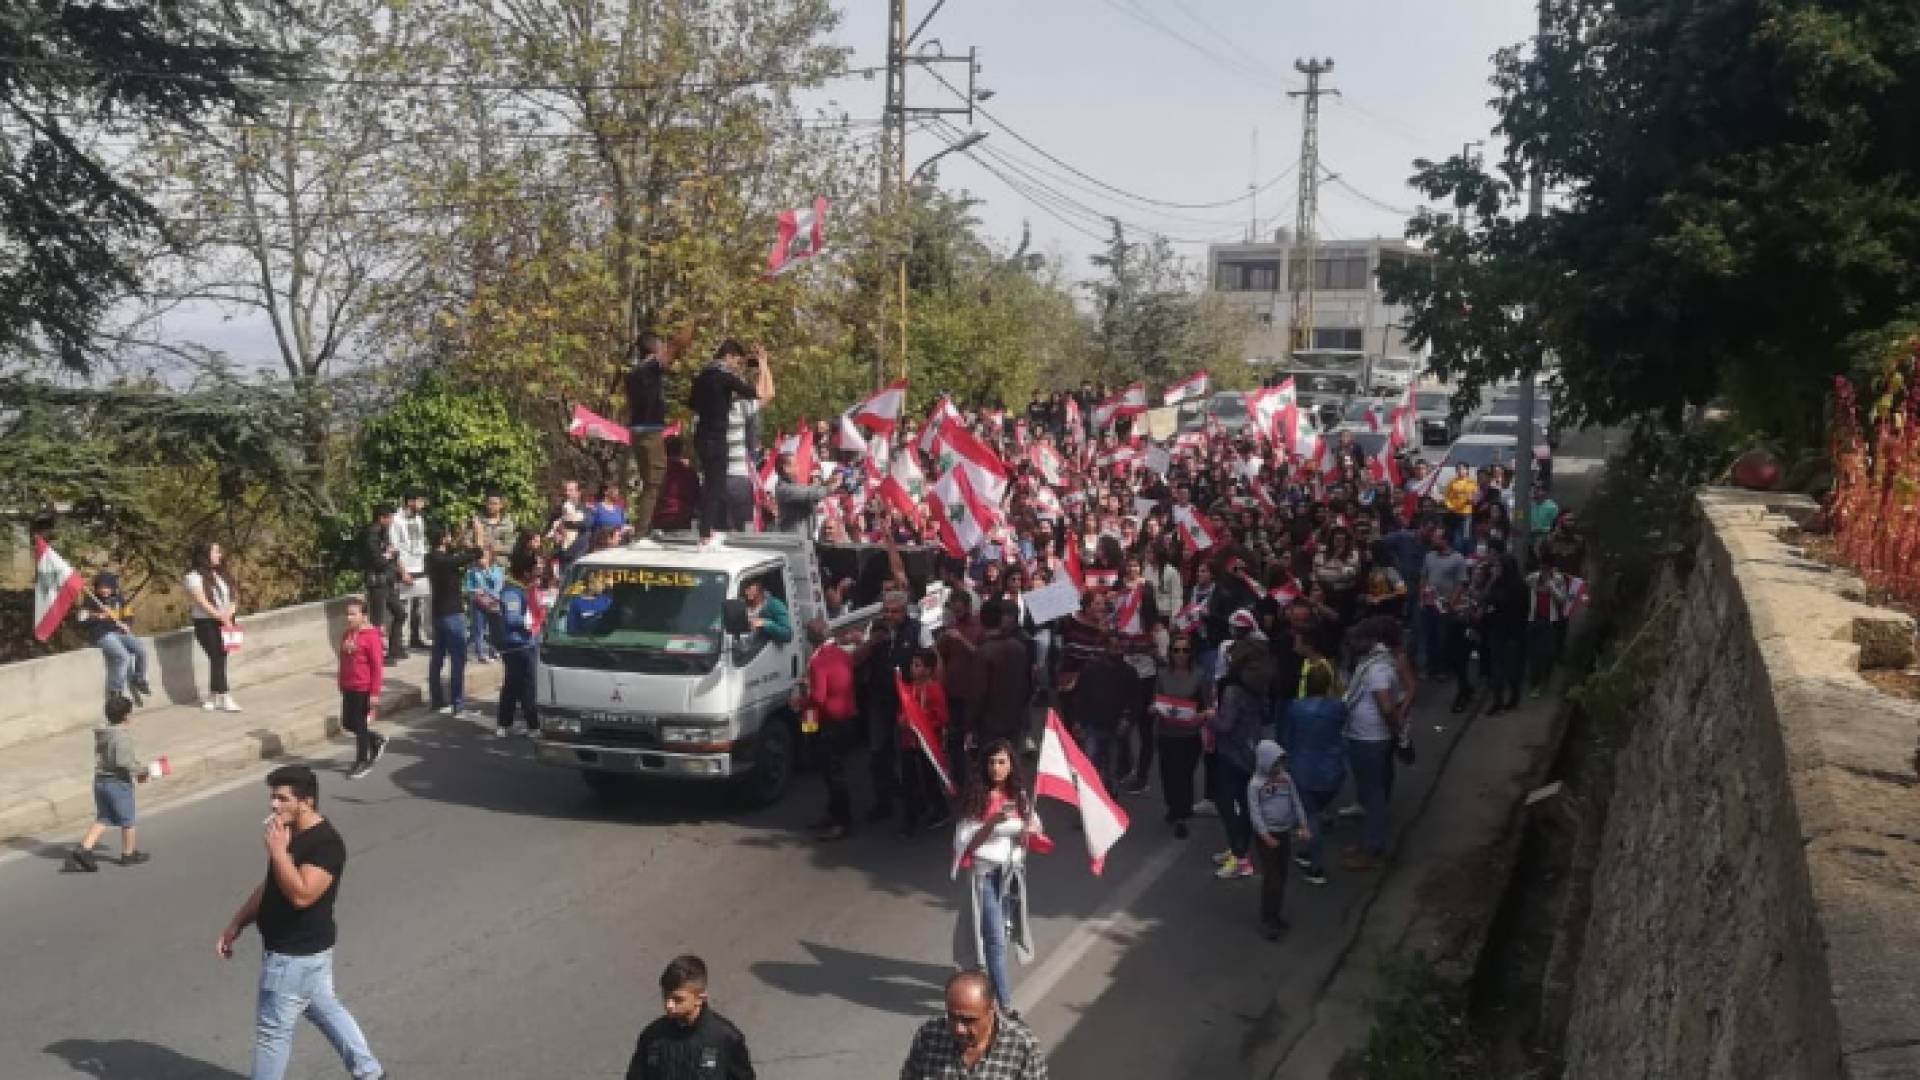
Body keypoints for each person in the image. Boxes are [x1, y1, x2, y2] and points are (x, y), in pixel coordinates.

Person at [216, 765, 384, 1080]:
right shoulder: (290, 831)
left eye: (281, 799)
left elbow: (303, 895)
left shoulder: (326, 845)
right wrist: (237, 923)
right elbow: (271, 885)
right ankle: (370, 1073)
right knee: (326, 1010)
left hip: (293, 957)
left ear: (305, 802)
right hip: (306, 957)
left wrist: (279, 854)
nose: (273, 806)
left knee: (272, 1035)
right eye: (272, 798)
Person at [951, 741, 1043, 1014]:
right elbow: (967, 843)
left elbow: (1034, 831)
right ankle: (1004, 1004)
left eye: (1002, 762)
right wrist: (992, 823)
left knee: (1000, 934)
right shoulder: (977, 799)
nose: (996, 768)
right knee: (995, 939)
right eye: (991, 762)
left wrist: (1029, 829)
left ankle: (986, 982)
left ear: (1011, 765)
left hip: (1011, 877)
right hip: (985, 876)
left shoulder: (1021, 797)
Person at [852, 591, 923, 822]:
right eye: (887, 611)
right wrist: (872, 642)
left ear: (904, 611)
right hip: (879, 702)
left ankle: (915, 803)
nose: (890, 616)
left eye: (895, 612)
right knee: (878, 754)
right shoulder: (876, 629)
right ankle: (883, 802)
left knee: (909, 755)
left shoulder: (918, 630)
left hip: (906, 703)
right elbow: (855, 659)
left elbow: (932, 664)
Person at [900, 970, 1050, 1080]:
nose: (959, 1029)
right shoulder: (929, 1036)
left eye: (969, 1020)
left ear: (992, 1010)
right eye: (952, 1017)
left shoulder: (1022, 1046)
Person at [624, 954, 755, 1079]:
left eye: (677, 999)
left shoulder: (726, 1038)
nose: (669, 1005)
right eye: (666, 996)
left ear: (700, 998)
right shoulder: (652, 1036)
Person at [689, 340, 772, 537]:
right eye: (737, 361)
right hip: (736, 474)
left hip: (703, 441)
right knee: (744, 532)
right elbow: (762, 394)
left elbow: (692, 403)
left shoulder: (701, 379)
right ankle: (705, 537)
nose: (737, 367)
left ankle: (706, 534)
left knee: (712, 494)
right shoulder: (734, 397)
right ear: (729, 356)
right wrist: (763, 365)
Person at [1342, 625, 1408, 872]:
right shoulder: (1373, 663)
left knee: (1374, 794)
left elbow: (1387, 707)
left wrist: (1396, 730)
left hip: (1370, 738)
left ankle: (1372, 847)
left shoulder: (1378, 669)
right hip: (1364, 736)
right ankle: (1368, 842)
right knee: (1371, 793)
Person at [63, 694, 148, 871]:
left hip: (100, 781)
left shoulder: (104, 733)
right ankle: (128, 853)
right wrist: (141, 771)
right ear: (126, 716)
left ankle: (84, 849)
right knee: (128, 820)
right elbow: (123, 762)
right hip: (117, 783)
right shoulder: (122, 736)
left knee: (104, 817)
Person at [1207, 638, 1269, 880]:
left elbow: (1224, 725)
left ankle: (1241, 856)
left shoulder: (1233, 690)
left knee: (1226, 804)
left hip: (1231, 752)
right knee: (1244, 805)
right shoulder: (1258, 687)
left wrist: (1210, 716)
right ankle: (1236, 849)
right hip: (1251, 749)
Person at [1279, 663, 1346, 885]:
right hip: (1333, 769)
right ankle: (1307, 852)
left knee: (1311, 817)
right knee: (1316, 813)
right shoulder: (1338, 708)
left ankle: (1316, 867)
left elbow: (1288, 738)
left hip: (1305, 769)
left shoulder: (1296, 708)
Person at [797, 618, 858, 841]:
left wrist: (800, 703)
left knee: (832, 773)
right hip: (846, 719)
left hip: (829, 723)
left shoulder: (818, 662)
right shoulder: (841, 654)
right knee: (834, 771)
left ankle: (842, 821)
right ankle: (834, 815)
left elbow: (818, 698)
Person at [1248, 739, 1310, 939]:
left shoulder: (1286, 779)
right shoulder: (1255, 785)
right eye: (1275, 763)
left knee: (1281, 876)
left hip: (1283, 833)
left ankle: (1275, 913)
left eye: (1280, 763)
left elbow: (1296, 802)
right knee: (1272, 877)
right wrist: (1265, 835)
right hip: (1267, 836)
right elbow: (1255, 812)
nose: (1278, 768)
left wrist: (1303, 824)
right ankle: (1268, 919)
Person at [1152, 632, 1213, 839]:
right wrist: (1153, 708)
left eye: (1184, 650)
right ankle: (1173, 806)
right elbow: (1155, 699)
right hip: (1166, 733)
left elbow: (1207, 706)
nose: (1180, 654)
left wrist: (1202, 715)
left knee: (1184, 776)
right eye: (1176, 650)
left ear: (1190, 653)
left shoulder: (1199, 676)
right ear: (1170, 653)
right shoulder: (1162, 675)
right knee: (1168, 775)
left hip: (1189, 735)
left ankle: (1181, 815)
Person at [425, 521, 484, 719]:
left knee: (437, 659)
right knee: (458, 658)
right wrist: (478, 533)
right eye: (447, 536)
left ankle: (436, 699)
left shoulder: (430, 558)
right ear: (442, 539)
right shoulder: (446, 561)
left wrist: (461, 535)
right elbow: (476, 554)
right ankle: (458, 702)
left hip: (438, 614)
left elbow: (454, 550)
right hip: (453, 614)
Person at [622, 329, 676, 536]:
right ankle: (643, 531)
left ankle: (644, 526)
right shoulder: (650, 367)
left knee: (648, 483)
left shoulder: (632, 374)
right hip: (651, 432)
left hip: (636, 431)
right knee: (655, 482)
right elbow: (673, 350)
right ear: (654, 348)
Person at [184, 539, 241, 712]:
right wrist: (220, 616)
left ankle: (213, 695)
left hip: (226, 619)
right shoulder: (193, 577)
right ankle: (225, 695)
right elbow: (202, 601)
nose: (219, 555)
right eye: (215, 552)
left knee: (221, 657)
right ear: (205, 554)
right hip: (206, 622)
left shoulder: (222, 574)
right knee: (216, 655)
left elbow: (234, 595)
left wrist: (230, 612)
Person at [900, 649, 952, 836]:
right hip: (909, 742)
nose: (912, 668)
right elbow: (905, 709)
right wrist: (903, 720)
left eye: (917, 665)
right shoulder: (910, 687)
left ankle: (941, 810)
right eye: (913, 665)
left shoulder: (933, 690)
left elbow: (943, 718)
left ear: (929, 670)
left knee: (929, 779)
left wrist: (924, 722)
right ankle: (912, 817)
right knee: (909, 780)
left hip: (927, 743)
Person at [77, 571, 150, 703]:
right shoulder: (91, 600)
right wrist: (98, 616)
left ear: (113, 587)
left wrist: (127, 624)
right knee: (122, 656)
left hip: (118, 631)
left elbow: (128, 613)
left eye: (107, 587)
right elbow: (81, 620)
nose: (104, 590)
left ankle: (139, 678)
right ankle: (116, 691)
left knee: (141, 650)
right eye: (101, 587)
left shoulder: (119, 599)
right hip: (102, 634)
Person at [492, 548, 541, 738]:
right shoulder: (512, 592)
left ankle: (505, 723)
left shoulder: (520, 589)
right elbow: (512, 619)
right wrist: (529, 622)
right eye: (534, 569)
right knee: (526, 686)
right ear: (526, 572)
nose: (537, 573)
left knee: (512, 685)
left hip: (522, 644)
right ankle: (532, 726)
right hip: (518, 645)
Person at [337, 598, 388, 780]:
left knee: (359, 723)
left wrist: (374, 693)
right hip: (349, 686)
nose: (349, 618)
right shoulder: (346, 635)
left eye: (353, 614)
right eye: (348, 614)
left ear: (364, 616)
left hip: (363, 687)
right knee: (347, 723)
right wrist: (341, 682)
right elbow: (343, 661)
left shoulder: (371, 637)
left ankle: (362, 760)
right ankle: (375, 739)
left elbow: (377, 666)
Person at [973, 599, 1032, 752]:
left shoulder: (985, 652)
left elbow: (979, 692)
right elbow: (1027, 684)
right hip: (1014, 718)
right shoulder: (1019, 647)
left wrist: (971, 722)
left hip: (990, 723)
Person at [357, 507, 406, 664]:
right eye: (389, 517)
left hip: (388, 580)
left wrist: (392, 555)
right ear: (381, 518)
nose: (391, 521)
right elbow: (377, 561)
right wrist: (389, 554)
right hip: (377, 582)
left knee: (400, 613)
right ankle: (376, 656)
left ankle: (394, 649)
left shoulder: (383, 533)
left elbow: (391, 554)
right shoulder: (370, 535)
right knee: (377, 621)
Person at [389, 491, 431, 650]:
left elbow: (420, 543)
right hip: (405, 567)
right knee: (403, 606)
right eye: (420, 501)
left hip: (419, 565)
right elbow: (394, 547)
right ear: (410, 502)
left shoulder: (419, 519)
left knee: (419, 606)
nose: (423, 504)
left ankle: (416, 637)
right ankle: (401, 641)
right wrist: (402, 571)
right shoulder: (397, 520)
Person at [651, 435, 702, 532]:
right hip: (682, 517)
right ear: (681, 451)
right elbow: (697, 497)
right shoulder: (690, 473)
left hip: (659, 517)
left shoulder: (657, 472)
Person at [464, 545, 505, 663]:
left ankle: (494, 650)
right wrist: (474, 590)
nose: (482, 560)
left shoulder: (496, 570)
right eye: (480, 557)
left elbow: (498, 585)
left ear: (490, 558)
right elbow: (467, 586)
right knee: (478, 628)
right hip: (478, 602)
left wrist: (487, 572)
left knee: (494, 628)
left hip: (493, 602)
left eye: (485, 557)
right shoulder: (472, 571)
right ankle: (480, 652)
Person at [773, 452, 828, 535]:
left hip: (805, 537)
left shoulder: (796, 486)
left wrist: (825, 484)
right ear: (786, 468)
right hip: (794, 540)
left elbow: (813, 498)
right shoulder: (784, 489)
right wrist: (831, 486)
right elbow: (814, 494)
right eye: (795, 465)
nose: (798, 468)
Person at [741, 578, 791, 645]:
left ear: (758, 585)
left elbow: (787, 634)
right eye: (745, 589)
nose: (746, 592)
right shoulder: (743, 605)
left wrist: (764, 623)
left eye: (749, 587)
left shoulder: (774, 604)